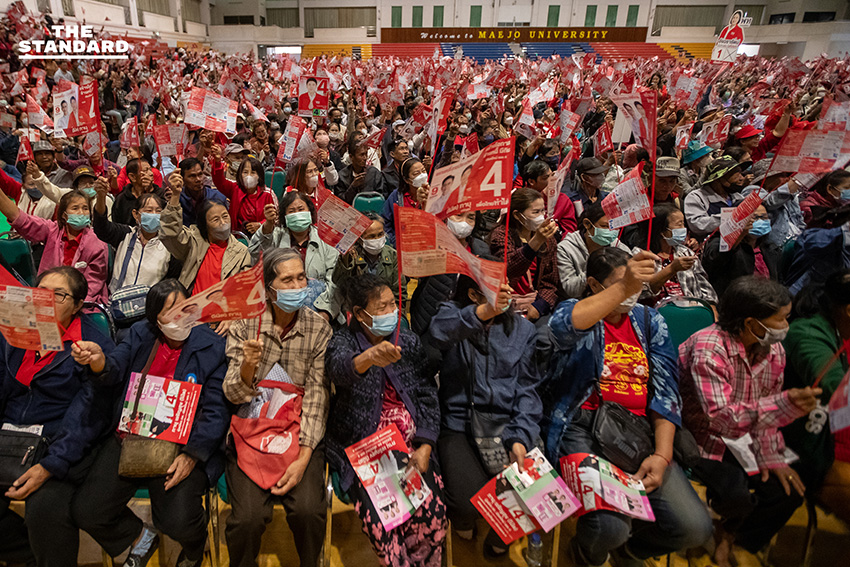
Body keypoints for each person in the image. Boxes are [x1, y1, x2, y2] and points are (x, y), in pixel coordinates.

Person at [546, 248, 713, 567]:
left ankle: (632, 552)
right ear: (594, 285)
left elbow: (666, 392)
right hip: (583, 428)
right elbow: (562, 327)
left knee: (694, 527)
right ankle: (587, 553)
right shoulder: (578, 310)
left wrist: (662, 455)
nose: (632, 292)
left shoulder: (650, 321)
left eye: (637, 285)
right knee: (610, 528)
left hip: (638, 432)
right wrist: (624, 287)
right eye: (623, 284)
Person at [69, 279, 230, 567]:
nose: (180, 316)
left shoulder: (211, 344)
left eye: (185, 307)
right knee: (88, 511)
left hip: (182, 444)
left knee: (177, 521)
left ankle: (195, 548)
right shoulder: (138, 335)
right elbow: (114, 367)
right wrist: (98, 361)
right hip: (130, 438)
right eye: (171, 311)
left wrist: (193, 454)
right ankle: (140, 537)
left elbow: (217, 409)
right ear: (155, 318)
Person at [679, 277, 820, 567]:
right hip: (701, 437)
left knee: (788, 490)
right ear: (751, 323)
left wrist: (772, 456)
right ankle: (723, 525)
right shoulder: (710, 348)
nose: (785, 327)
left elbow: (767, 415)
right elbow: (719, 418)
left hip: (744, 435)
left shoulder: (773, 350)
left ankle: (733, 536)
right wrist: (784, 405)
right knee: (736, 493)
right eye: (780, 319)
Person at [324, 273, 446, 567]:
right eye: (383, 307)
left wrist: (426, 444)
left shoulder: (408, 341)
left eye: (394, 304)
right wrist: (368, 358)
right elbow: (338, 368)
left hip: (410, 444)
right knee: (384, 521)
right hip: (363, 448)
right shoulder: (342, 339)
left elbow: (427, 392)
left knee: (432, 514)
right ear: (360, 314)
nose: (392, 312)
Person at [223, 248, 332, 567]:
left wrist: (303, 457)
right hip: (251, 428)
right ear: (269, 289)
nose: (298, 286)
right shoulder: (246, 324)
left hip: (298, 430)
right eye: (287, 280)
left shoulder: (318, 328)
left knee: (310, 509)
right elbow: (231, 392)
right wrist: (247, 367)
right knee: (247, 519)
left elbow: (316, 396)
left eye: (301, 277)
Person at [0, 267, 115, 567]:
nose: (46, 301)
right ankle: (29, 555)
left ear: (77, 306)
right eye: (40, 293)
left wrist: (49, 465)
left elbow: (90, 413)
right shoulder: (14, 332)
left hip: (57, 445)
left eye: (58, 295)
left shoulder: (90, 343)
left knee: (45, 509)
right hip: (8, 438)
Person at [428, 277, 542, 556]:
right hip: (460, 423)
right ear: (473, 294)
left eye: (508, 289)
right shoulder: (451, 312)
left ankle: (500, 538)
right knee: (466, 502)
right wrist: (480, 314)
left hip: (508, 423)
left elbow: (529, 390)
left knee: (535, 491)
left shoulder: (523, 330)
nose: (507, 296)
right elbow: (438, 332)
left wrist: (521, 437)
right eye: (497, 291)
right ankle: (464, 521)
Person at [783, 270, 850, 527]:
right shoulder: (809, 336)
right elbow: (836, 386)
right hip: (795, 451)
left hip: (824, 443)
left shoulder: (835, 328)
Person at [0, 184, 108, 304]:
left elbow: (94, 284)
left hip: (82, 302)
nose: (81, 213)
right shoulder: (52, 230)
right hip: (47, 296)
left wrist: (72, 306)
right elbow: (22, 220)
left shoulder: (98, 242)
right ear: (64, 215)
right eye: (75, 208)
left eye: (85, 208)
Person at [251, 191, 340, 320]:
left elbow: (334, 281)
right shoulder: (275, 236)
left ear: (309, 211)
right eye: (292, 211)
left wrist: (325, 312)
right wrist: (267, 227)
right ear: (284, 216)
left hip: (318, 309)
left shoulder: (326, 240)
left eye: (301, 209)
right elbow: (254, 255)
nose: (297, 214)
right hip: (279, 308)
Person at [159, 174, 252, 297]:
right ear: (204, 225)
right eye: (215, 219)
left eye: (225, 216)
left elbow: (245, 290)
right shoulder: (193, 242)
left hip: (224, 311)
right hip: (190, 309)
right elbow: (170, 233)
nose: (223, 223)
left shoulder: (241, 252)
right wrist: (175, 196)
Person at [489, 188, 560, 323]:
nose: (541, 216)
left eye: (542, 211)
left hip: (535, 304)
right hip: (506, 304)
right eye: (535, 212)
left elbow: (550, 281)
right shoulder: (501, 235)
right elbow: (509, 270)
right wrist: (535, 242)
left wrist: (540, 306)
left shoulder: (548, 240)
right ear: (517, 215)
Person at [92, 188, 174, 297]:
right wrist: (101, 196)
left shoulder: (168, 245)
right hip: (118, 303)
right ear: (136, 214)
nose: (154, 215)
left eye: (158, 211)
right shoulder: (125, 234)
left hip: (149, 306)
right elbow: (101, 227)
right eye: (149, 211)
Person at [630, 203, 718, 306]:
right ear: (662, 230)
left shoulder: (685, 252)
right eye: (679, 224)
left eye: (683, 224)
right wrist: (672, 268)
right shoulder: (641, 256)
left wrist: (712, 310)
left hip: (692, 310)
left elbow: (706, 291)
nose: (683, 229)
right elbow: (643, 293)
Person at [703, 204, 781, 297]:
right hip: (736, 302)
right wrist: (739, 234)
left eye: (763, 217)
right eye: (754, 218)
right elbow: (715, 261)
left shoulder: (770, 248)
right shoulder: (720, 243)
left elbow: (779, 282)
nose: (760, 221)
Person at [558, 202, 632, 299]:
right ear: (587, 224)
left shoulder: (619, 247)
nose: (611, 231)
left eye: (614, 227)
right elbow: (570, 290)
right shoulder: (565, 249)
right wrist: (599, 268)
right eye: (605, 226)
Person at [332, 212, 407, 306]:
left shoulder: (393, 256)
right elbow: (339, 285)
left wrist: (396, 316)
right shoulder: (352, 256)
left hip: (385, 309)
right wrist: (346, 260)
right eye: (371, 236)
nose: (377, 239)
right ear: (360, 238)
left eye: (380, 234)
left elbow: (399, 293)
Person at [741, 159, 805, 248]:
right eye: (781, 175)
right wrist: (797, 181)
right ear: (766, 178)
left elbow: (799, 219)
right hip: (774, 248)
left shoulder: (791, 195)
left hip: (797, 241)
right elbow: (770, 202)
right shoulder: (751, 191)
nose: (786, 179)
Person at [211, 154, 278, 235]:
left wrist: (260, 225)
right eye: (245, 172)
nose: (248, 176)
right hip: (237, 237)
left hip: (262, 237)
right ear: (240, 174)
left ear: (259, 176)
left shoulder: (268, 194)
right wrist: (217, 162)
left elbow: (276, 218)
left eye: (253, 173)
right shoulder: (234, 188)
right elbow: (219, 181)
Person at [684, 155, 746, 240]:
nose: (741, 178)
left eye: (740, 174)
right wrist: (730, 217)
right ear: (719, 179)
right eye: (735, 175)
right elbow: (697, 225)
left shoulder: (737, 196)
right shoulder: (697, 197)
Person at [382, 157, 430, 246]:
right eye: (416, 173)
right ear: (407, 180)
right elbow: (385, 222)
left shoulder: (431, 193)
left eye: (423, 171)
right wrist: (395, 242)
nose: (422, 175)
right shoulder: (396, 196)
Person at [524, 159, 577, 235]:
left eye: (552, 175)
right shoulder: (521, 199)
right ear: (531, 181)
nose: (552, 180)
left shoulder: (562, 200)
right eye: (545, 178)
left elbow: (569, 231)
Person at [173, 157, 227, 226]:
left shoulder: (217, 197)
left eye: (200, 174)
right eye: (192, 176)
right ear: (182, 179)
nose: (198, 179)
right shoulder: (178, 200)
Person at [112, 157, 164, 226]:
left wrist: (149, 191)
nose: (151, 173)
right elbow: (117, 225)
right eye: (145, 171)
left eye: (150, 169)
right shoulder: (122, 199)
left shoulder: (160, 195)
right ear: (132, 177)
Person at [336, 137, 386, 202]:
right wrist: (353, 187)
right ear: (351, 157)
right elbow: (340, 200)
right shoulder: (342, 175)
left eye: (366, 154)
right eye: (362, 155)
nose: (365, 158)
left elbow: (381, 197)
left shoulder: (374, 173)